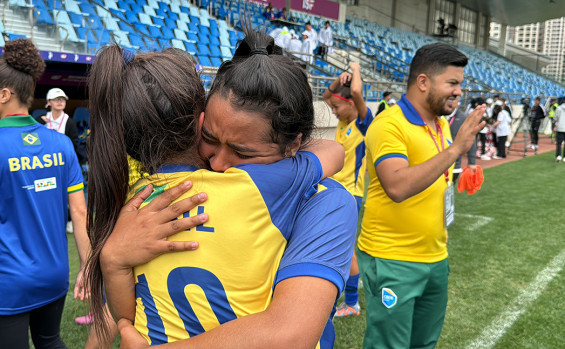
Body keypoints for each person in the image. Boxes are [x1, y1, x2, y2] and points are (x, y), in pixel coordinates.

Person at [85, 28, 357, 348]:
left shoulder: (137, 199)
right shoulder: (258, 186)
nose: (218, 163)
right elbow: (332, 151)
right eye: (211, 140)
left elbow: (290, 333)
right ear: (200, 121)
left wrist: (113, 260)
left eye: (242, 153)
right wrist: (114, 257)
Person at [357, 42, 485, 348]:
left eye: (461, 84)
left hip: (435, 257)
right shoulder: (388, 124)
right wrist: (457, 149)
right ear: (423, 82)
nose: (458, 91)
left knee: (424, 344)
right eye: (452, 83)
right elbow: (397, 186)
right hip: (392, 259)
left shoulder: (441, 124)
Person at [0, 39, 91, 348]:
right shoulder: (61, 145)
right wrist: (87, 267)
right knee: (50, 341)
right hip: (54, 274)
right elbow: (80, 212)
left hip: (9, 279)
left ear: (4, 94)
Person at [323, 62, 373, 318]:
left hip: (352, 196)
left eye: (336, 107)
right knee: (338, 247)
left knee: (345, 250)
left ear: (352, 104)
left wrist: (354, 67)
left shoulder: (364, 124)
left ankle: (351, 302)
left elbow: (355, 93)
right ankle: (345, 300)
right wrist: (337, 79)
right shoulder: (343, 122)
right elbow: (326, 94)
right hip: (337, 193)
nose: (333, 111)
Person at [447, 98, 477, 183]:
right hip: (435, 163)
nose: (451, 102)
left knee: (448, 192)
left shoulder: (464, 118)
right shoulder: (436, 115)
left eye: (454, 99)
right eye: (449, 99)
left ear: (458, 102)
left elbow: (471, 139)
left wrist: (472, 162)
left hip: (454, 165)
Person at [553, 97, 565, 162]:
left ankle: (559, 156)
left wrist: (555, 125)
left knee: (559, 143)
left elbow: (555, 118)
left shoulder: (559, 108)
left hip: (560, 127)